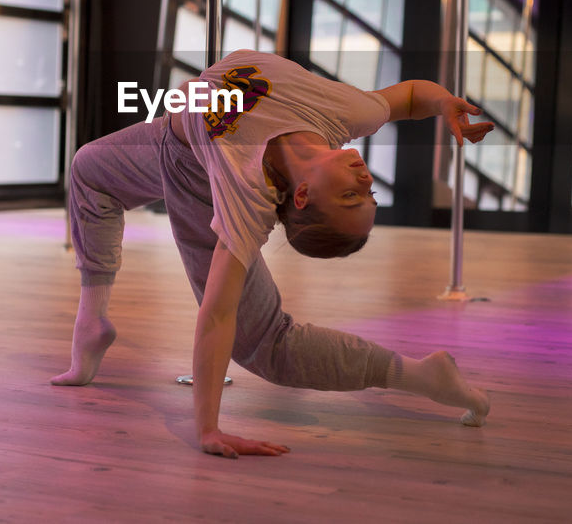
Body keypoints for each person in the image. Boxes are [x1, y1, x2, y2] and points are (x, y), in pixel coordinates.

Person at [52, 49, 494, 458]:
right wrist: (445, 104)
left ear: (301, 195)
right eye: (369, 195)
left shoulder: (246, 195)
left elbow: (217, 315)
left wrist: (207, 429)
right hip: (170, 139)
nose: (364, 180)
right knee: (89, 171)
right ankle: (92, 321)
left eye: (349, 197)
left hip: (195, 175)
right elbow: (412, 95)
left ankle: (419, 375)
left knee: (266, 346)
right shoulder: (344, 113)